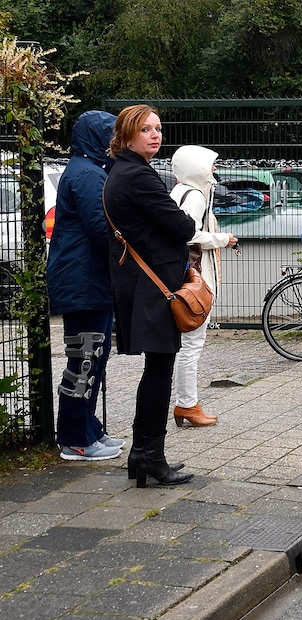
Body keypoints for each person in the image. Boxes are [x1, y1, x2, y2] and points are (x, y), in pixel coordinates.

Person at [104, 104, 195, 487]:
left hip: (144, 284)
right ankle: (150, 457)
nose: (155, 135)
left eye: (158, 128)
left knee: (157, 369)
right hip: (153, 287)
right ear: (127, 135)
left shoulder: (123, 172)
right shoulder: (137, 176)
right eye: (146, 130)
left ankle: (144, 455)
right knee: (159, 370)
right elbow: (183, 225)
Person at [47, 110, 126, 461]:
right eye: (112, 135)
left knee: (92, 356)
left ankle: (88, 429)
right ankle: (75, 438)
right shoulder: (88, 175)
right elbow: (102, 229)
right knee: (85, 357)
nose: (117, 142)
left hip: (87, 279)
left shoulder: (87, 171)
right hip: (83, 281)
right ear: (97, 137)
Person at [170, 145, 238, 426]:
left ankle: (187, 403)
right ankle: (187, 404)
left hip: (182, 275)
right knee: (191, 346)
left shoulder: (180, 191)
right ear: (197, 167)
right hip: (195, 278)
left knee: (186, 345)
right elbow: (190, 234)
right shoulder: (195, 195)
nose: (214, 171)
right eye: (210, 166)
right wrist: (222, 239)